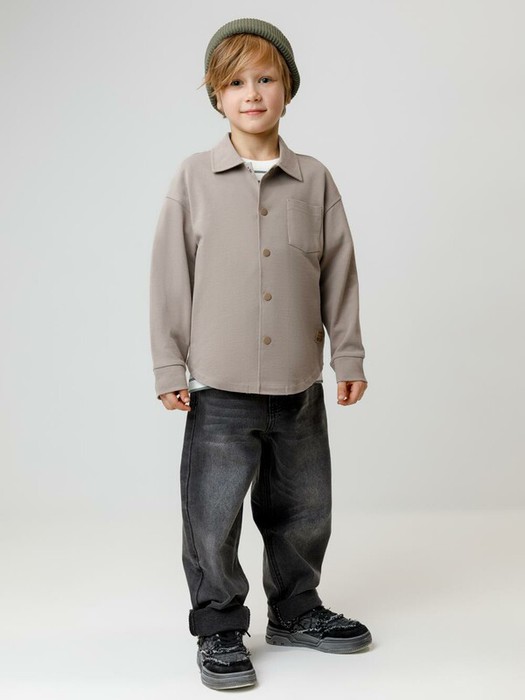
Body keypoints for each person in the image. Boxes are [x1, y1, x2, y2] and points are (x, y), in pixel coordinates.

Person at [149, 17, 372, 691]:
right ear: (217, 96)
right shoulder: (193, 178)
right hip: (218, 388)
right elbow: (170, 278)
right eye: (236, 82)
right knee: (211, 517)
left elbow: (339, 272)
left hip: (298, 386)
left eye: (266, 79)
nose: (252, 93)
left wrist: (348, 356)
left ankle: (296, 610)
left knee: (304, 508)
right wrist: (169, 365)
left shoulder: (315, 180)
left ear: (287, 89)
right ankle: (219, 625)